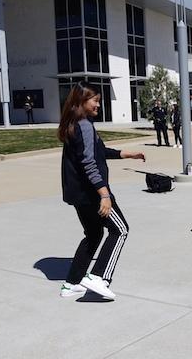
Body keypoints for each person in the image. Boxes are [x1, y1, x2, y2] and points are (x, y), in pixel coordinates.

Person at [58, 81, 145, 299]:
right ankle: (98, 277)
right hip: (92, 193)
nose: (98, 104)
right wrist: (104, 195)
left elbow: (99, 151)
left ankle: (71, 283)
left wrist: (127, 154)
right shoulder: (85, 126)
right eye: (95, 100)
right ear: (82, 101)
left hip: (79, 195)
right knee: (121, 230)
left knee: (94, 234)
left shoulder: (74, 123)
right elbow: (89, 163)